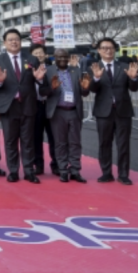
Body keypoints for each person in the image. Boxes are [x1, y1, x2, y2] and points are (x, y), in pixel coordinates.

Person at [0, 29, 49, 184]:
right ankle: (13, 171)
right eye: (10, 39)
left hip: (28, 105)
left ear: (20, 41)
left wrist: (40, 80)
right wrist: (1, 81)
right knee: (10, 141)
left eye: (16, 39)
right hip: (9, 106)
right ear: (4, 43)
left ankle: (29, 171)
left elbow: (41, 81)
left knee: (27, 140)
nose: (14, 42)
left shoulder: (31, 59)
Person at [88, 37, 138, 185]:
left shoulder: (124, 66)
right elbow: (91, 89)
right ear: (99, 50)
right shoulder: (94, 67)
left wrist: (134, 78)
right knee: (104, 143)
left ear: (115, 50)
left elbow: (134, 89)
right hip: (103, 112)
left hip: (123, 111)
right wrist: (96, 78)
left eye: (110, 48)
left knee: (123, 144)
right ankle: (106, 173)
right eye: (104, 48)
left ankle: (123, 174)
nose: (108, 50)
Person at [45, 49, 91, 183]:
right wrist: (51, 89)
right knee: (60, 143)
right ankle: (63, 170)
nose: (62, 59)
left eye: (65, 57)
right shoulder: (48, 72)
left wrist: (86, 88)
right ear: (55, 58)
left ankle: (75, 170)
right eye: (59, 57)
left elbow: (84, 93)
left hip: (74, 111)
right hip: (57, 112)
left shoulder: (76, 71)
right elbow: (43, 91)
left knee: (75, 142)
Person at [30, 43, 58, 176]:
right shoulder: (28, 70)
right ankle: (38, 165)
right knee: (36, 137)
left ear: (46, 54)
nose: (39, 55)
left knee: (54, 137)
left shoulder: (52, 69)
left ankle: (56, 164)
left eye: (41, 53)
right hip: (35, 106)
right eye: (36, 53)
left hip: (51, 106)